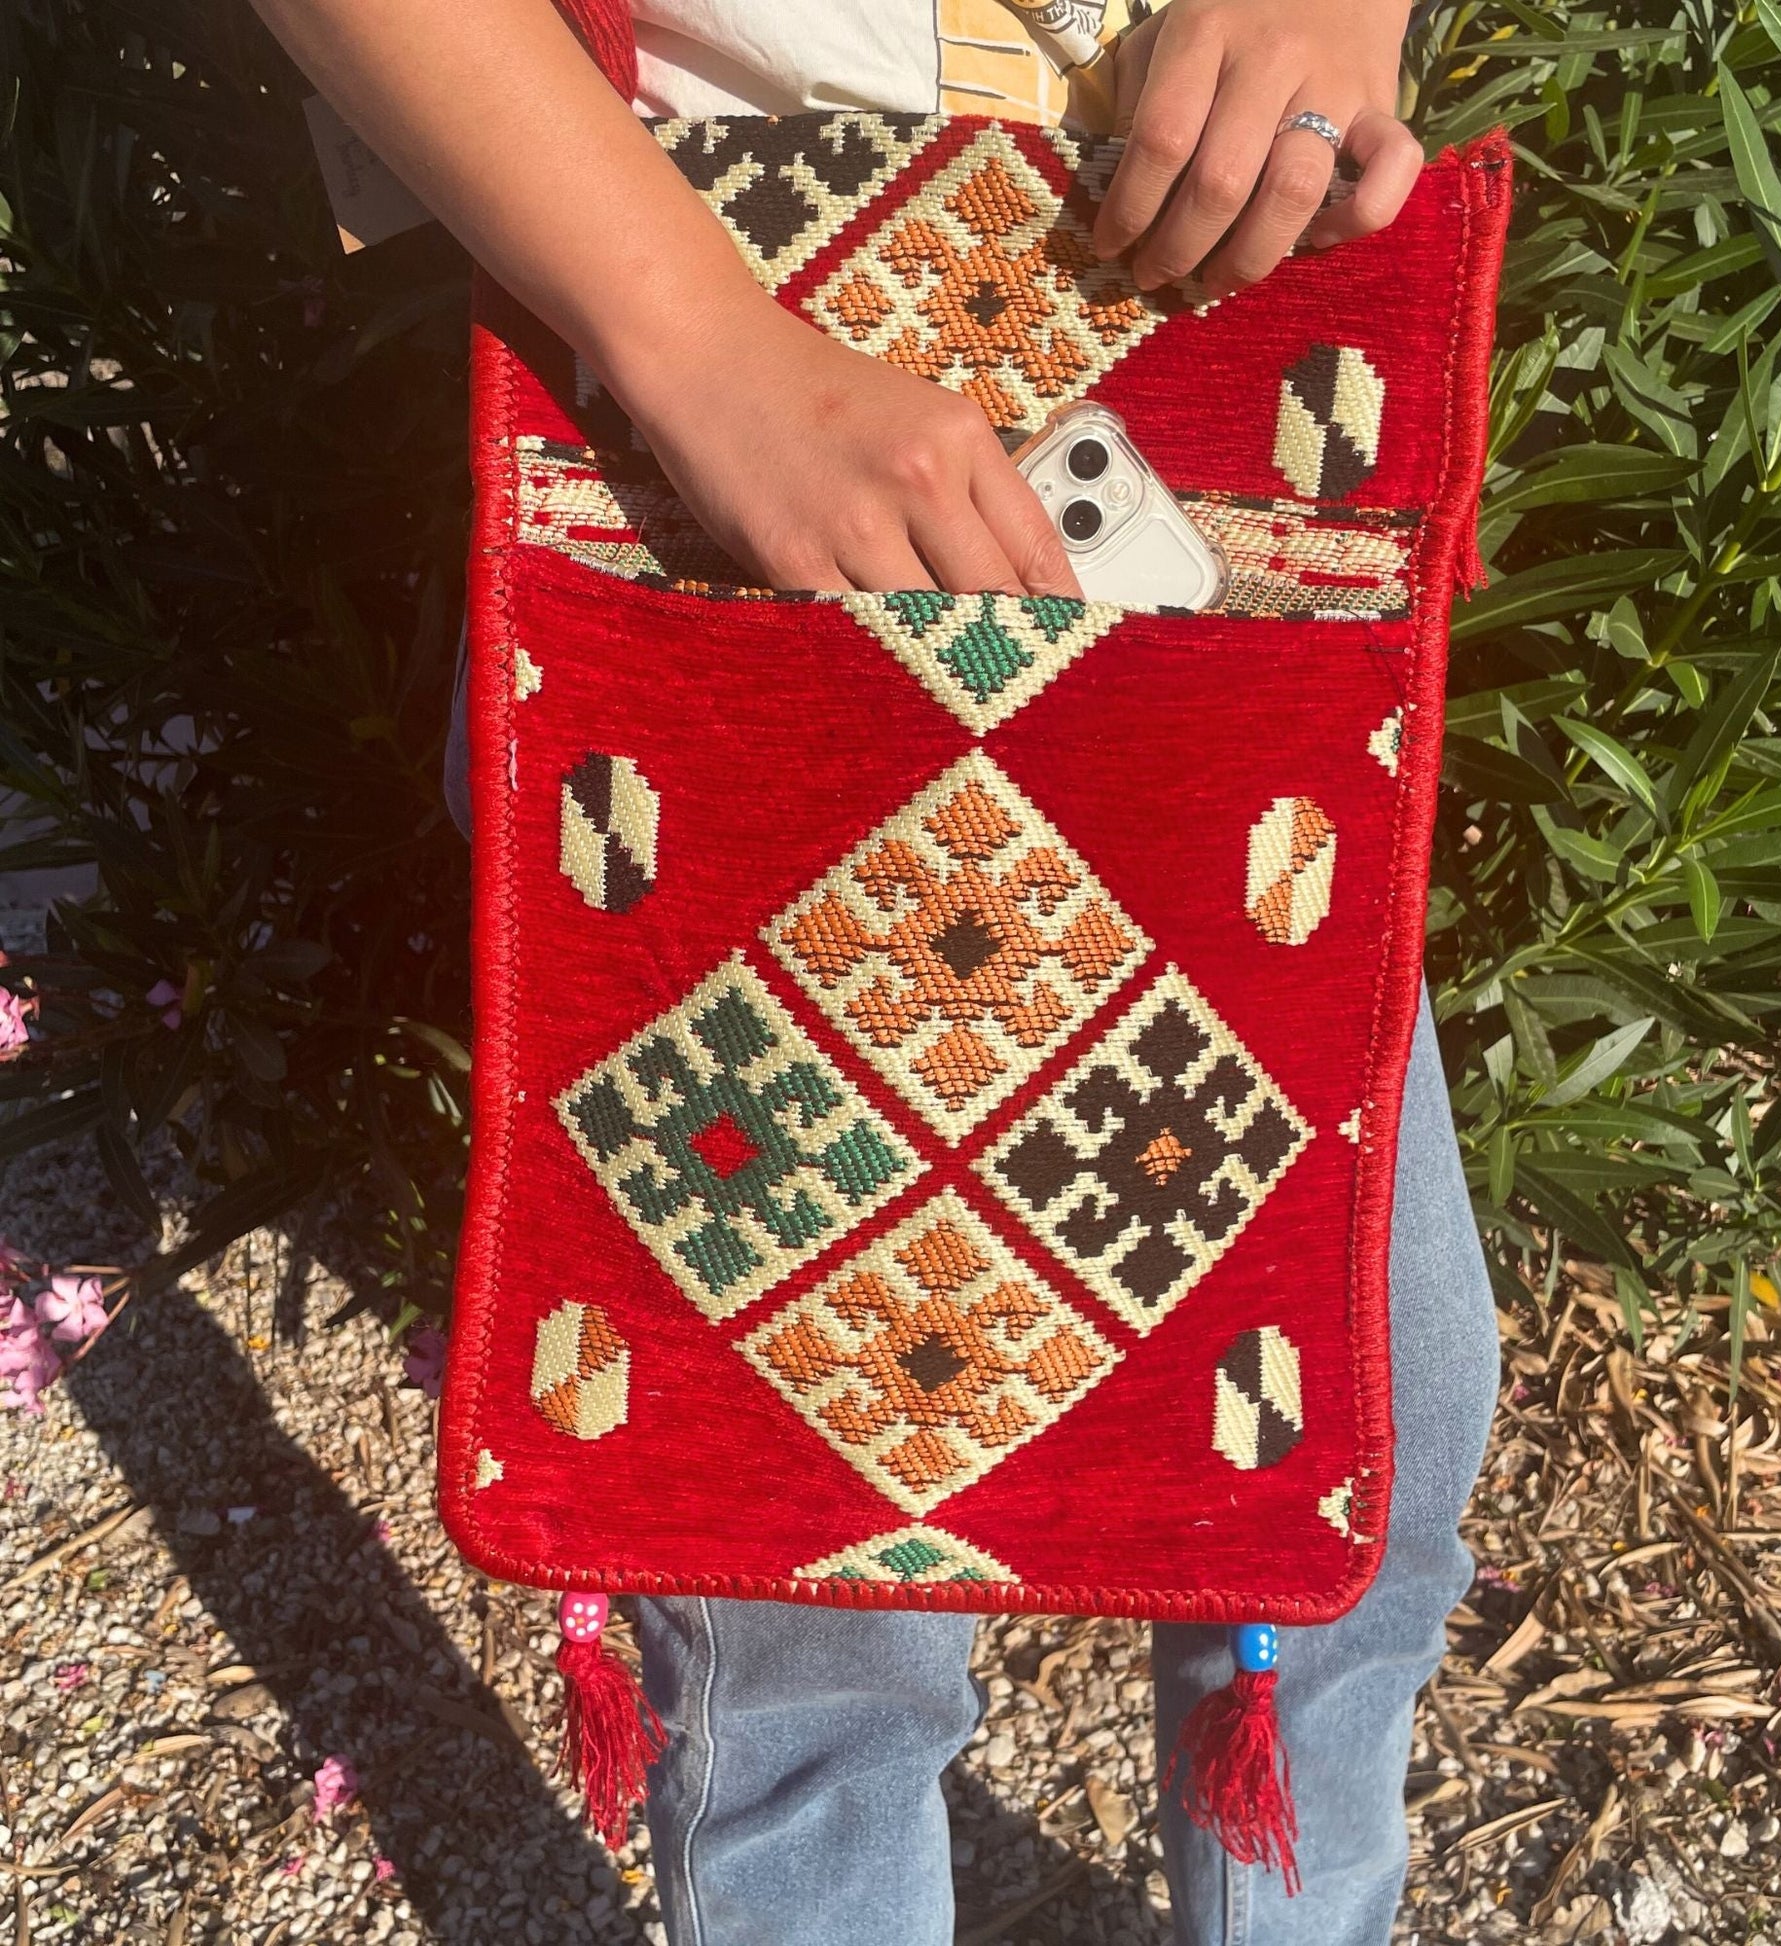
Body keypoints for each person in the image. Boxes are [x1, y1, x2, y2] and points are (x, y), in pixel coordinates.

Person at [247, 2, 1499, 1940]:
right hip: (720, 460)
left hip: (1197, 423)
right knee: (793, 1574)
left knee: (1352, 1468)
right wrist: (687, 336)